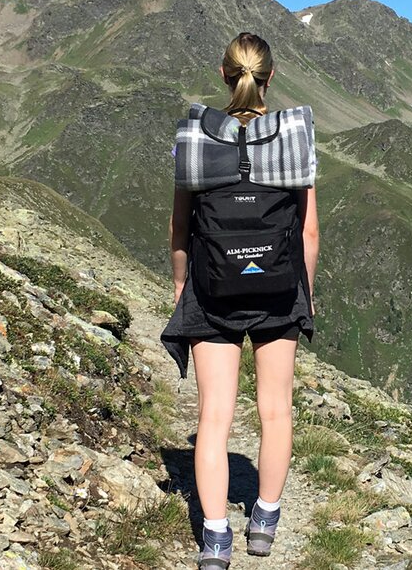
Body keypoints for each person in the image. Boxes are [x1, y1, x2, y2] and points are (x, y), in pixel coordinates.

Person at [160, 32, 319, 568]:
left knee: (214, 418)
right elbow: (309, 234)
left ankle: (216, 539)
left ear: (225, 76)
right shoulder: (294, 138)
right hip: (278, 289)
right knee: (275, 411)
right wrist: (304, 291)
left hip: (212, 292)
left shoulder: (194, 138)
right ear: (269, 77)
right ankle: (265, 522)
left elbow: (180, 229)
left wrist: (183, 285)